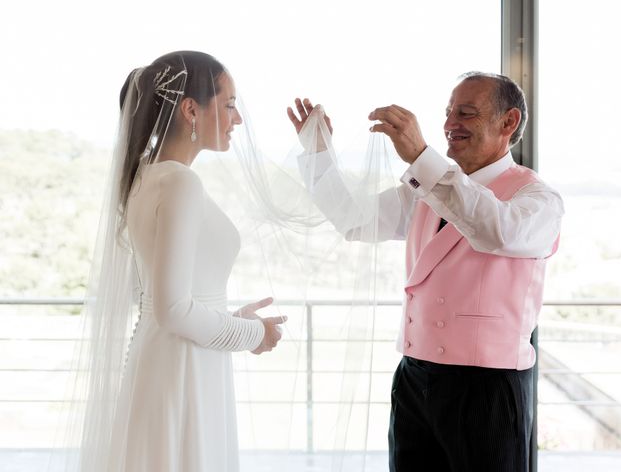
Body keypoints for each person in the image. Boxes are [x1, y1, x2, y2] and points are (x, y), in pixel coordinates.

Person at [287, 72, 564, 472]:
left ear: (508, 123)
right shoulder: (426, 190)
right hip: (414, 379)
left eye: (466, 113)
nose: (451, 124)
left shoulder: (537, 199)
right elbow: (353, 218)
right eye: (448, 112)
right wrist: (318, 155)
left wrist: (421, 156)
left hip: (487, 387)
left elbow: (495, 230)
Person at [71, 51, 287, 472]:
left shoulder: (147, 175)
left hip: (174, 357)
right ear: (191, 109)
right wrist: (249, 332)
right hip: (181, 367)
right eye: (228, 105)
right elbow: (172, 309)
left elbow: (166, 298)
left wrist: (233, 318)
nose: (237, 119)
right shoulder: (181, 182)